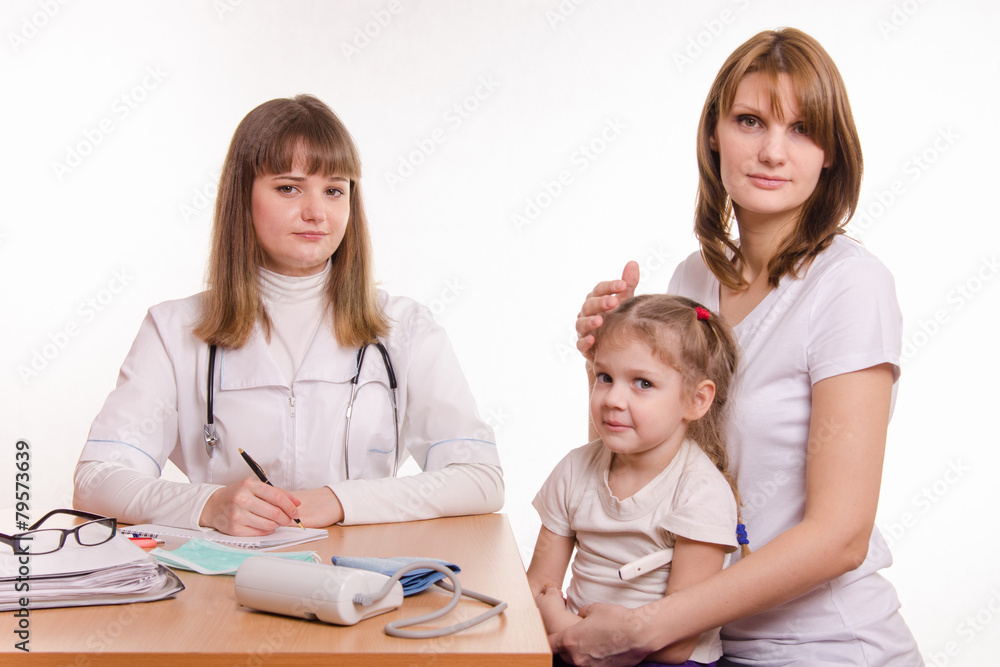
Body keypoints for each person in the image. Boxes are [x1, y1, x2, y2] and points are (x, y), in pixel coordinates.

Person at [561, 28, 922, 666]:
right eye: (750, 121)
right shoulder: (692, 281)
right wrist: (606, 369)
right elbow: (640, 470)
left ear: (831, 154)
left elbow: (841, 536)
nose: (772, 152)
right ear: (714, 133)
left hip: (824, 647)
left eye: (802, 130)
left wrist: (645, 626)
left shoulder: (850, 287)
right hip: (702, 645)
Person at [73, 95, 503, 536]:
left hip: (360, 570)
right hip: (227, 574)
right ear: (242, 197)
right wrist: (206, 504)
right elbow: (96, 480)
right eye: (289, 188)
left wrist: (340, 500)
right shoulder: (173, 330)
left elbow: (480, 478)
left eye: (334, 190)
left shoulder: (406, 328)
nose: (316, 213)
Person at [528, 295, 748, 667]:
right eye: (605, 377)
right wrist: (558, 624)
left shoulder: (701, 493)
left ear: (696, 400)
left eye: (642, 383)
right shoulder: (574, 470)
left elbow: (676, 644)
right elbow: (537, 587)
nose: (613, 398)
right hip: (573, 650)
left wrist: (559, 622)